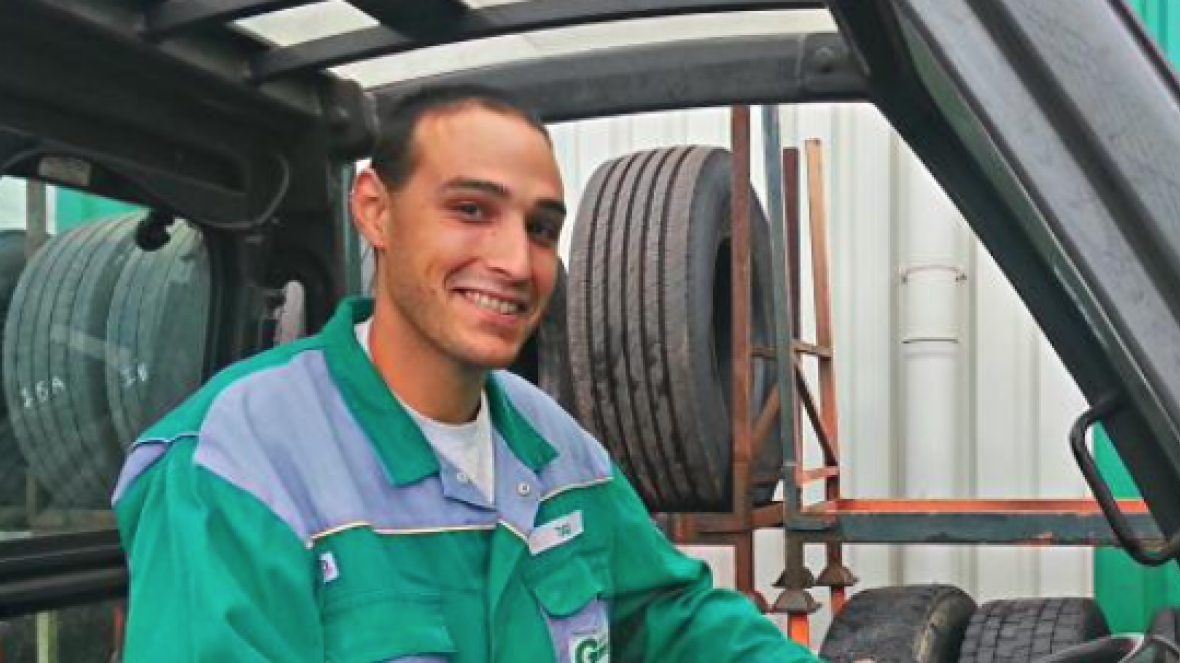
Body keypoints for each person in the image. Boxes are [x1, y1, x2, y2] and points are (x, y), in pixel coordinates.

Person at [113, 84, 817, 662]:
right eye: (471, 210)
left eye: (540, 228)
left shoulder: (558, 451)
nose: (515, 261)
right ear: (376, 211)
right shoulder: (236, 465)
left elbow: (670, 617)